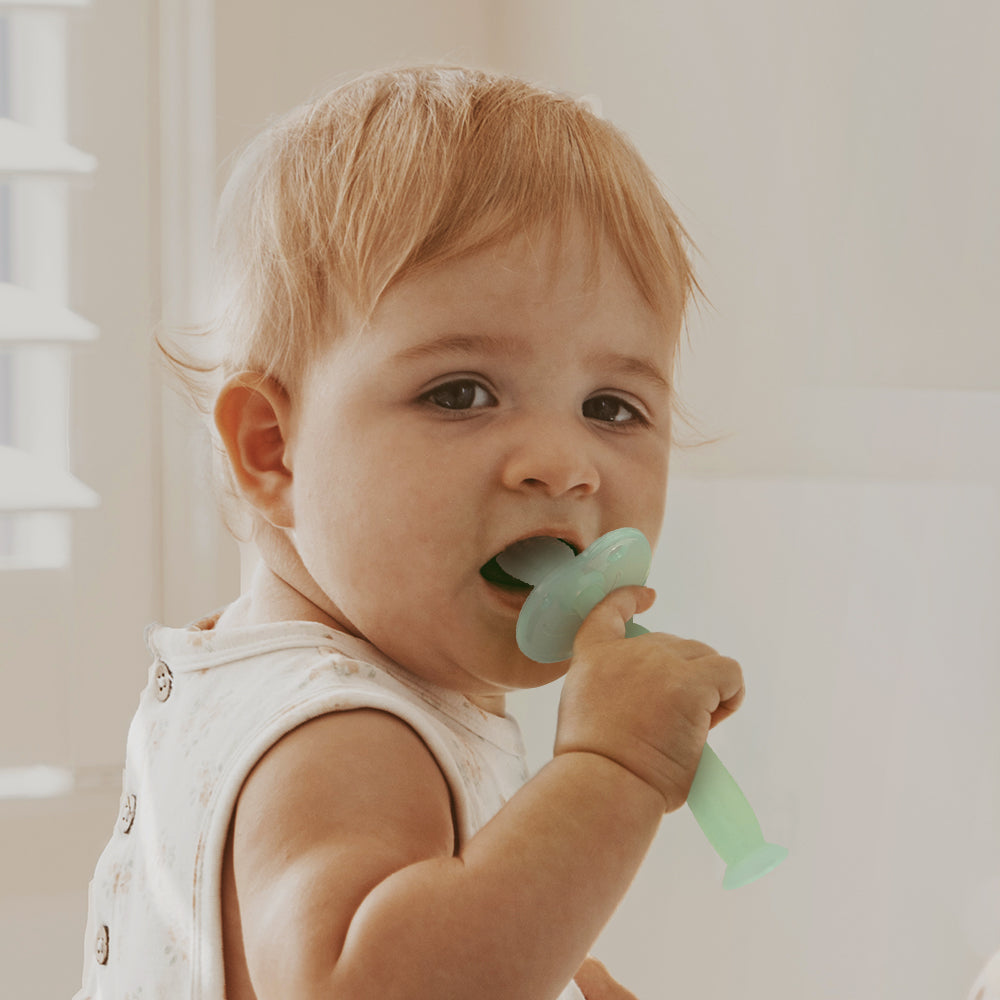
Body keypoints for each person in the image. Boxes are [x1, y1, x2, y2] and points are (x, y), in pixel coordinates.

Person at [75, 65, 745, 1000]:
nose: (563, 465)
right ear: (274, 450)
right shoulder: (342, 732)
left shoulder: (289, 676)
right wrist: (614, 768)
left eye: (611, 406)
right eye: (460, 393)